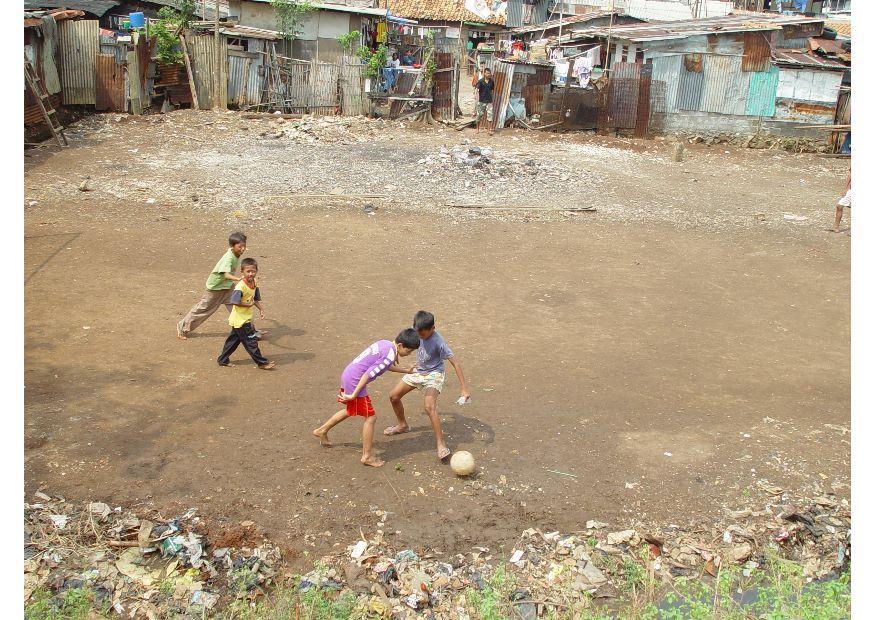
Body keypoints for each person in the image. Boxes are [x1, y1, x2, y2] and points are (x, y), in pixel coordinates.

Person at [312, 329, 420, 467]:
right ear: (400, 345)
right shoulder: (389, 356)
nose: (409, 354)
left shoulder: (385, 344)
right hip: (356, 381)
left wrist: (405, 370)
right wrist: (354, 394)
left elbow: (383, 366)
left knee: (352, 409)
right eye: (409, 351)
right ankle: (367, 456)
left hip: (349, 374)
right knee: (371, 417)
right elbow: (368, 374)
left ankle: (321, 430)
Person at [383, 311, 470, 461]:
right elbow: (399, 342)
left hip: (434, 374)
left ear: (433, 328)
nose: (419, 337)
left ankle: (441, 444)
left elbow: (455, 363)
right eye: (418, 333)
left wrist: (464, 388)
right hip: (418, 371)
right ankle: (402, 425)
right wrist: (395, 355)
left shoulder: (439, 342)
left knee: (429, 407)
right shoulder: (416, 330)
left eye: (422, 335)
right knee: (393, 396)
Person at [177, 232, 255, 340]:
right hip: (215, 289)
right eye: (240, 246)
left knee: (238, 306)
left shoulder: (235, 254)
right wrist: (238, 279)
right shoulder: (229, 258)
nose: (242, 249)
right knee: (203, 310)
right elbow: (225, 274)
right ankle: (182, 328)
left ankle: (250, 332)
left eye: (244, 246)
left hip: (227, 287)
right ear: (232, 246)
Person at [217, 258, 275, 370]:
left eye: (253, 271)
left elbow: (254, 299)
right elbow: (234, 301)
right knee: (251, 342)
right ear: (242, 272)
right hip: (241, 320)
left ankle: (222, 359)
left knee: (233, 341)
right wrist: (248, 305)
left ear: (257, 271)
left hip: (242, 319)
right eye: (248, 271)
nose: (251, 274)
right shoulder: (240, 287)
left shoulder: (254, 282)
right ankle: (261, 363)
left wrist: (261, 309)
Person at [474, 67, 495, 134]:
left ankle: (489, 130)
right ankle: (477, 129)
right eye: (487, 73)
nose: (488, 74)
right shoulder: (480, 81)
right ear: (484, 73)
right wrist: (476, 95)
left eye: (489, 73)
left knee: (490, 116)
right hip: (481, 101)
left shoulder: (492, 81)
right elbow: (476, 89)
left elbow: (492, 90)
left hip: (489, 101)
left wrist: (491, 97)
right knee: (479, 115)